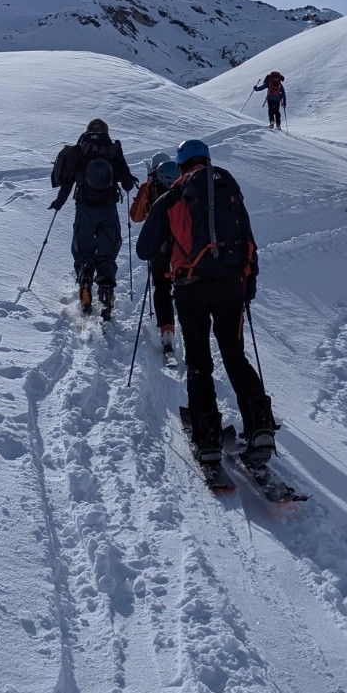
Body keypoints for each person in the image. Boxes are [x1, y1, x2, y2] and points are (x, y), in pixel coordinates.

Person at [135, 138, 277, 466]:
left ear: (181, 165)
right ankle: (260, 427)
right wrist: (247, 288)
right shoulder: (228, 186)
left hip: (190, 288)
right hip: (230, 286)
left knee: (199, 363)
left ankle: (207, 440)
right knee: (234, 356)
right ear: (207, 160)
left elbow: (144, 249)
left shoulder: (173, 195)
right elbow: (249, 242)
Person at [50, 118, 138, 318]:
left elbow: (69, 181)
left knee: (83, 249)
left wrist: (59, 202)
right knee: (108, 249)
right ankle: (106, 291)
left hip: (84, 207)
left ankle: (85, 281)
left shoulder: (80, 149)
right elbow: (127, 184)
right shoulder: (113, 148)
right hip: (108, 207)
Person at [129, 152, 182, 358]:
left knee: (161, 285)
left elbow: (136, 216)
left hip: (158, 245)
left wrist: (145, 187)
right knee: (184, 283)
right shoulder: (182, 185)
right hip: (181, 245)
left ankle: (167, 330)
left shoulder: (150, 188)